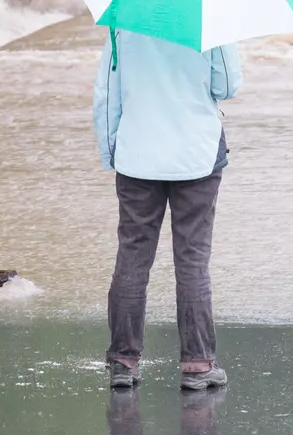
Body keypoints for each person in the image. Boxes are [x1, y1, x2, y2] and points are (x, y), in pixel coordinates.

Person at [93, 28, 238, 389]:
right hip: (196, 154)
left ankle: (123, 362)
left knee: (133, 255)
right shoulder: (211, 16)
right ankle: (198, 364)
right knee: (192, 259)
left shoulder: (123, 19)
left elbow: (107, 95)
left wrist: (112, 151)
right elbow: (228, 85)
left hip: (137, 154)